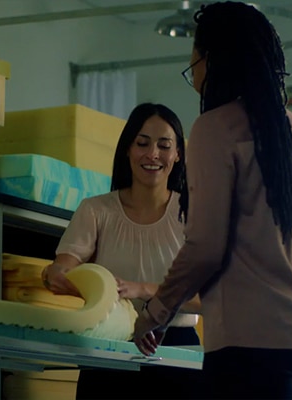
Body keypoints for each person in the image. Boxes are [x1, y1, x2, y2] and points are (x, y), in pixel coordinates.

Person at [132, 2, 292, 400]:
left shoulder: (214, 129)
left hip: (250, 345)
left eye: (195, 57)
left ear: (213, 60)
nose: (195, 70)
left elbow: (205, 246)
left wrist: (155, 315)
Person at [42, 102, 202, 400]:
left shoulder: (194, 213)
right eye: (142, 143)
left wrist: (142, 289)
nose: (152, 154)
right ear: (127, 149)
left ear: (178, 154)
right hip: (110, 345)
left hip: (177, 352)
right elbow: (63, 266)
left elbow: (210, 298)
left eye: (164, 146)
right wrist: (56, 274)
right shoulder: (95, 210)